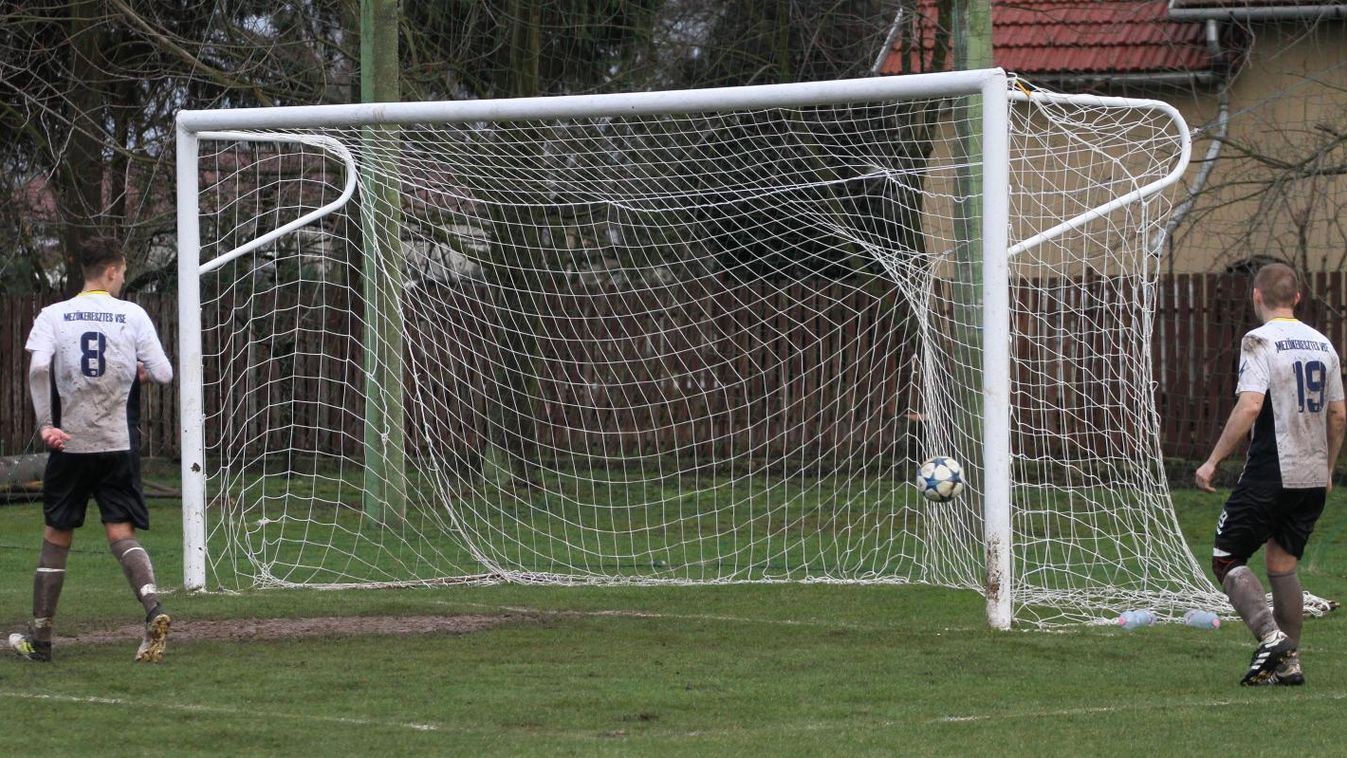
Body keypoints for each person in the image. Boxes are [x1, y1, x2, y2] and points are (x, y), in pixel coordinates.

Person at [10, 237, 175, 663]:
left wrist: (47, 426)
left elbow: (39, 367)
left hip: (72, 442)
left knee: (57, 534)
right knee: (120, 531)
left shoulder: (53, 315)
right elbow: (163, 372)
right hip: (117, 443)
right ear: (114, 271)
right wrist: (135, 373)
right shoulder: (132, 314)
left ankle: (40, 639)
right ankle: (153, 606)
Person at [1196, 262, 1345, 686]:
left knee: (1226, 557)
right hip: (1313, 476)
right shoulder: (1323, 344)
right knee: (1281, 565)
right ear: (1297, 298)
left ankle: (1271, 636)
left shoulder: (1259, 340)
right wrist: (1329, 469)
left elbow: (1250, 406)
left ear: (1256, 297)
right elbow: (1339, 415)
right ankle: (1289, 665)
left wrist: (1212, 461)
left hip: (1272, 473)